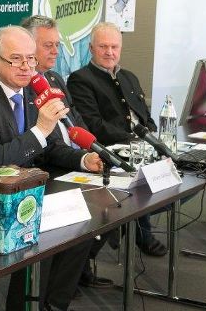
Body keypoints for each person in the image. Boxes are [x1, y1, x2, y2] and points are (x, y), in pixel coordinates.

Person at [0, 25, 103, 311]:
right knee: (42, 233)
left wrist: (83, 160)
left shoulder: (33, 92)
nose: (27, 67)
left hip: (27, 187)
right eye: (16, 59)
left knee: (83, 225)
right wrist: (42, 127)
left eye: (31, 59)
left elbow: (51, 146)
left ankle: (51, 305)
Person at [20, 14, 114, 290]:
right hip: (54, 167)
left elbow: (77, 122)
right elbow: (44, 147)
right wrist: (82, 160)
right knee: (90, 213)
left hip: (77, 160)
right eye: (47, 45)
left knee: (119, 204)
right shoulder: (23, 89)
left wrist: (95, 150)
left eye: (57, 45)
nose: (55, 51)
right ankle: (57, 295)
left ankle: (77, 270)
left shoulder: (53, 77)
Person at [67, 22, 168, 256]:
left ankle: (129, 226)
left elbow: (145, 118)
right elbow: (94, 125)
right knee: (140, 182)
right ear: (91, 48)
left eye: (114, 47)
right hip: (109, 154)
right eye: (103, 46)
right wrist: (133, 139)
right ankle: (136, 231)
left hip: (140, 149)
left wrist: (151, 138)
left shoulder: (129, 77)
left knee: (178, 182)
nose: (109, 52)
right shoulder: (80, 79)